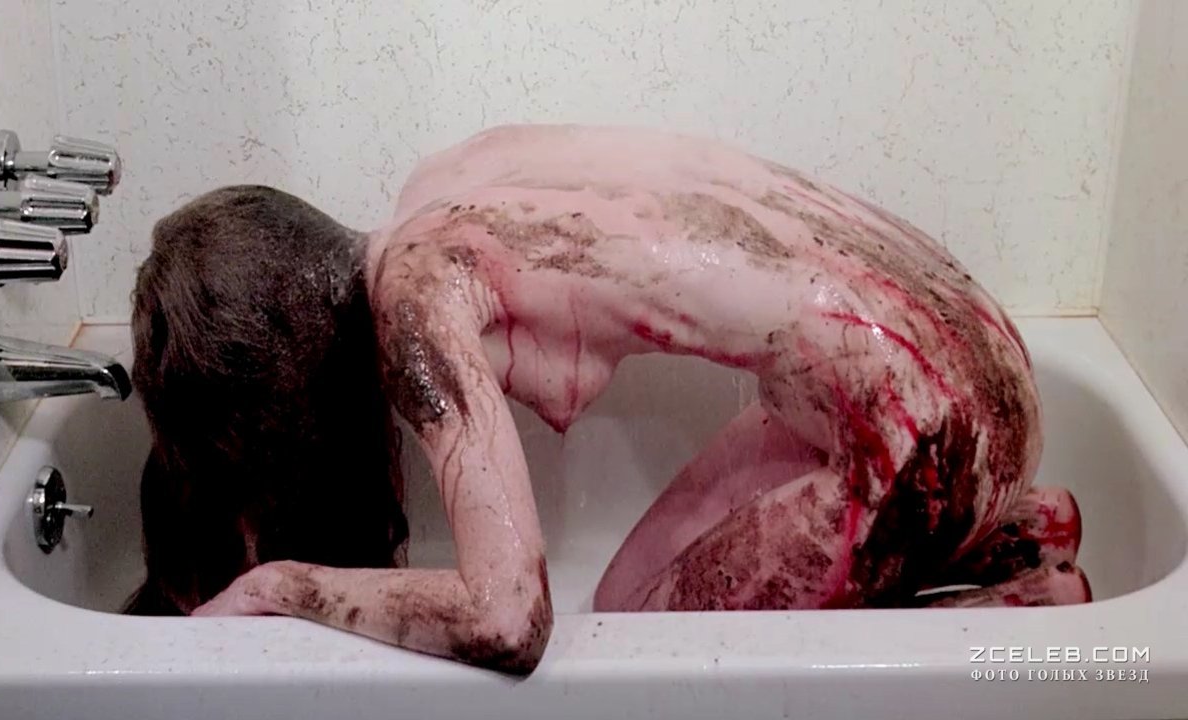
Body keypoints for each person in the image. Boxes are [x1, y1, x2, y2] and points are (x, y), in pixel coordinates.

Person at [128, 124, 1088, 675]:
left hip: (925, 431)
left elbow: (509, 619)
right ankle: (1021, 532)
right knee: (626, 609)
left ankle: (1025, 604)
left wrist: (279, 589)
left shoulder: (416, 301)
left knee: (649, 660)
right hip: (959, 347)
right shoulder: (441, 185)